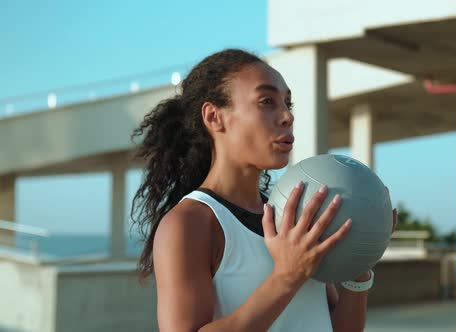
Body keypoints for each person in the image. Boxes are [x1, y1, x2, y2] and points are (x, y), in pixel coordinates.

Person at [130, 49, 396, 332]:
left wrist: (360, 264)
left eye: (288, 103)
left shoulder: (293, 215)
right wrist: (287, 276)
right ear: (214, 116)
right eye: (266, 101)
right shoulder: (190, 223)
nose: (286, 116)